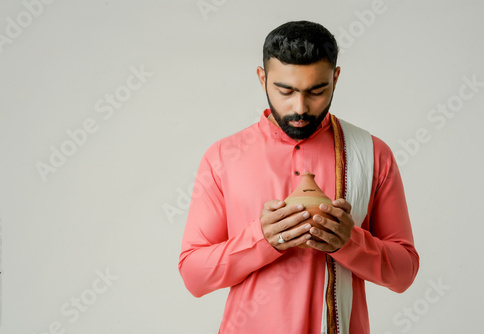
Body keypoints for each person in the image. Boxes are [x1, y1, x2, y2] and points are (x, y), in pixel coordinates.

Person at [178, 20, 419, 334]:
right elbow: (194, 276)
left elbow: (404, 273)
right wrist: (260, 241)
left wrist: (349, 242)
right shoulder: (224, 156)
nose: (300, 107)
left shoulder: (370, 154)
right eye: (285, 91)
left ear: (336, 77)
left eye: (317, 91)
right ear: (262, 78)